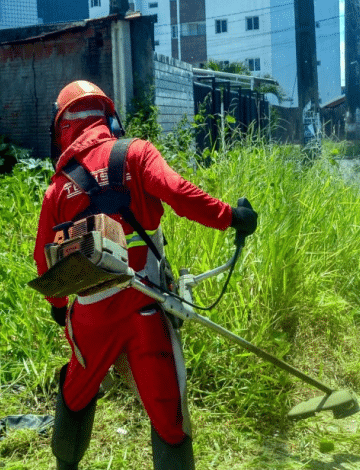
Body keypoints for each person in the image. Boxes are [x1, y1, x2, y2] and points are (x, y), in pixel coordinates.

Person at [33, 80, 258, 469]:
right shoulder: (136, 153)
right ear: (109, 119)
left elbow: (44, 258)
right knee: (167, 411)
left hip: (90, 315)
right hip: (146, 306)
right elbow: (179, 192)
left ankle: (65, 463)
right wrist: (232, 216)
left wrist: (57, 305)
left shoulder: (58, 188)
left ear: (62, 129)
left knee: (76, 392)